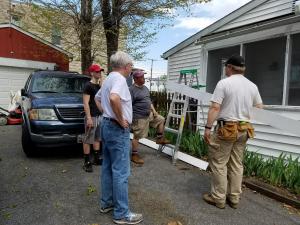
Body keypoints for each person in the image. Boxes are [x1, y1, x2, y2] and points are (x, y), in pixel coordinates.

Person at [203, 55, 263, 209]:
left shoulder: (224, 83)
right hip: (244, 129)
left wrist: (208, 128)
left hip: (226, 129)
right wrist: (243, 115)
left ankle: (218, 198)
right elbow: (259, 107)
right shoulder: (252, 86)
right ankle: (234, 198)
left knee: (219, 163)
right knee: (237, 164)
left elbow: (215, 107)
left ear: (229, 67)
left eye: (226, 67)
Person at [95, 51, 143, 225]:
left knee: (108, 166)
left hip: (106, 126)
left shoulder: (108, 78)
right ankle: (121, 214)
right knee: (121, 171)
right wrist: (119, 118)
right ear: (125, 66)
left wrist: (107, 114)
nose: (131, 68)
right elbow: (114, 98)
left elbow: (97, 98)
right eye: (130, 65)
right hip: (116, 128)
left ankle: (106, 203)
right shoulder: (120, 79)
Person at [129, 70, 170, 165]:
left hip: (149, 114)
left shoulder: (145, 88)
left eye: (143, 77)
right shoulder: (131, 90)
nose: (144, 79)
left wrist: (154, 111)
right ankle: (134, 155)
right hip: (139, 117)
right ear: (135, 79)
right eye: (141, 77)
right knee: (137, 136)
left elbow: (149, 101)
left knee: (161, 119)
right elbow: (128, 105)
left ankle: (159, 138)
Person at [82, 64, 104, 173]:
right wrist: (89, 118)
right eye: (97, 71)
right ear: (92, 73)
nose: (99, 73)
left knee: (97, 138)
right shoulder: (88, 86)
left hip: (99, 116)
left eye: (100, 71)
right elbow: (85, 103)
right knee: (87, 139)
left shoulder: (99, 86)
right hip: (91, 117)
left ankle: (96, 159)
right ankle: (86, 162)